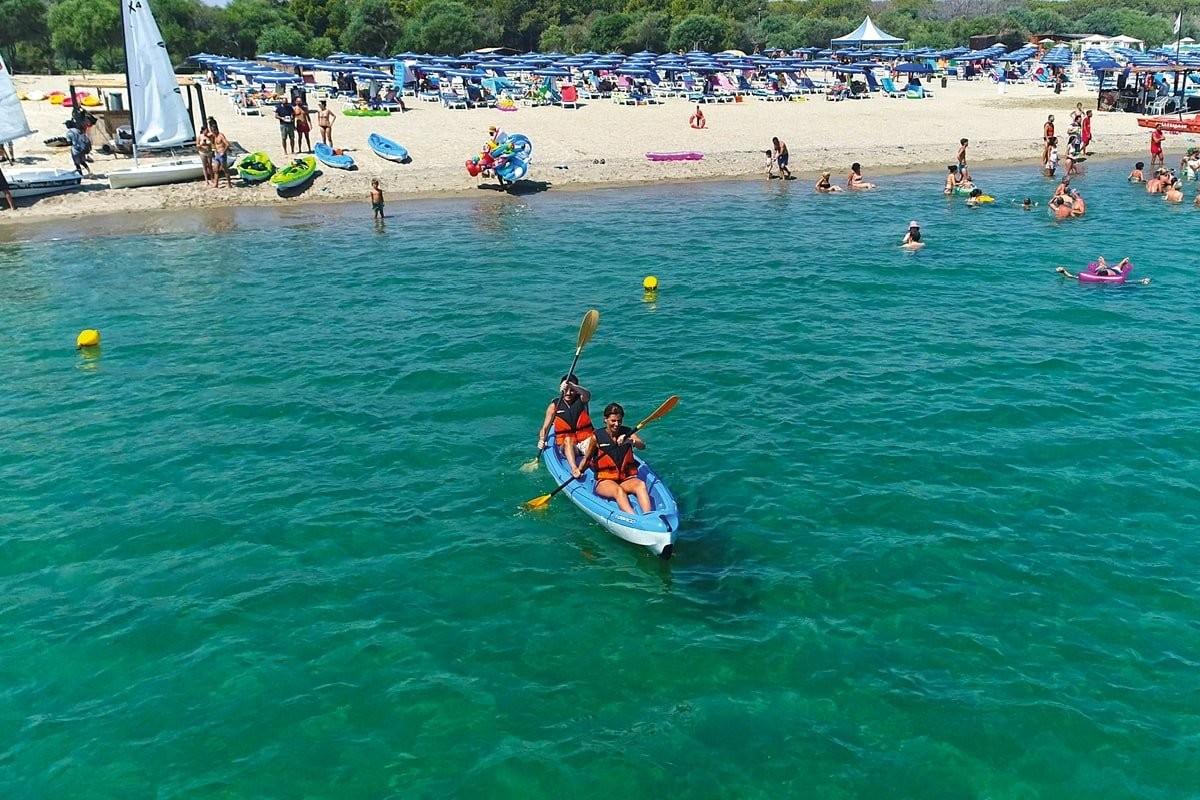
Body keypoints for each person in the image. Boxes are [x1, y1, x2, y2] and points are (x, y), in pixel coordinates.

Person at [590, 402, 652, 514]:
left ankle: (648, 516)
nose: (616, 424)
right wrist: (577, 470)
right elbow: (587, 458)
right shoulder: (596, 436)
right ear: (605, 420)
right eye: (613, 420)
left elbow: (642, 446)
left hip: (625, 478)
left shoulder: (627, 432)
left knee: (641, 485)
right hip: (605, 480)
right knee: (618, 491)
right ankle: (634, 519)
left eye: (619, 421)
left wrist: (630, 441)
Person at [537, 375, 595, 478]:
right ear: (561, 388)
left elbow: (587, 394)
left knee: (596, 439)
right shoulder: (554, 406)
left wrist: (572, 385)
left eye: (572, 390)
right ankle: (574, 468)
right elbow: (544, 428)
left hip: (585, 442)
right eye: (566, 389)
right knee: (568, 439)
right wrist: (542, 439)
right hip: (568, 446)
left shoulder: (582, 399)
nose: (568, 393)